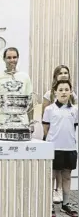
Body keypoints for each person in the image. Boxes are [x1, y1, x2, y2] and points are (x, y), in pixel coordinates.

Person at [42, 65, 77, 204]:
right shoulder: (49, 108)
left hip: (70, 147)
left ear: (70, 91)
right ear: (55, 91)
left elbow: (74, 125)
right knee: (52, 174)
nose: (63, 92)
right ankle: (50, 203)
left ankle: (66, 204)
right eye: (60, 90)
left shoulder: (75, 108)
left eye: (66, 90)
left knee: (67, 175)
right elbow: (46, 126)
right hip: (54, 146)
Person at [0, 47, 33, 136]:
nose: (12, 60)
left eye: (14, 57)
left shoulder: (25, 77)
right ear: (4, 59)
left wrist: (31, 122)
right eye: (9, 57)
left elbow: (30, 100)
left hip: (22, 122)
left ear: (18, 58)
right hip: (3, 122)